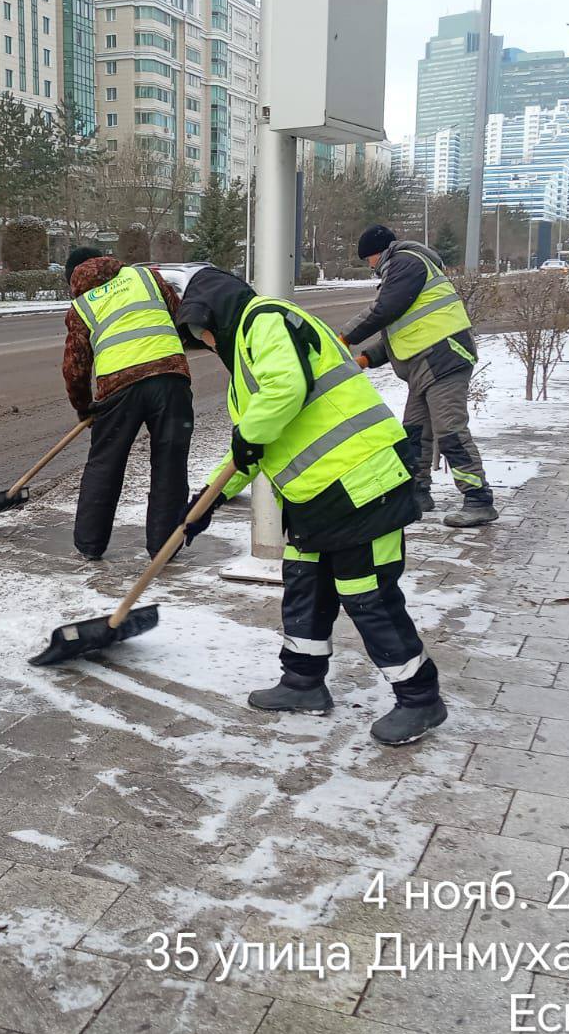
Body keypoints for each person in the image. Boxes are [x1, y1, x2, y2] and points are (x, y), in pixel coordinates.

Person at [175, 267, 447, 746]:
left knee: (368, 595)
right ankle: (303, 681)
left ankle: (419, 697)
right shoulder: (244, 365)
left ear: (216, 315)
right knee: (305, 586)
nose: (206, 344)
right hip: (316, 497)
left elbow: (284, 391)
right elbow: (251, 448)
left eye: (204, 332)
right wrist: (208, 500)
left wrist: (247, 438)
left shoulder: (266, 319)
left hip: (364, 483)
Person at [343, 225, 497, 529]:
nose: (370, 266)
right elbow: (403, 331)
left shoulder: (406, 262)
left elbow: (383, 310)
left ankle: (478, 499)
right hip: (425, 363)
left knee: (449, 430)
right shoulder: (404, 269)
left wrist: (344, 337)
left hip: (444, 358)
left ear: (378, 252)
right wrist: (365, 359)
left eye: (368, 259)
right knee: (415, 431)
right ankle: (417, 494)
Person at [62, 249, 193, 560]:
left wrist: (84, 406)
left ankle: (89, 544)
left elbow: (75, 367)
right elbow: (179, 316)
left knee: (104, 464)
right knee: (170, 464)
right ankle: (164, 547)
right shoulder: (147, 277)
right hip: (170, 379)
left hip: (118, 388)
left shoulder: (81, 306)